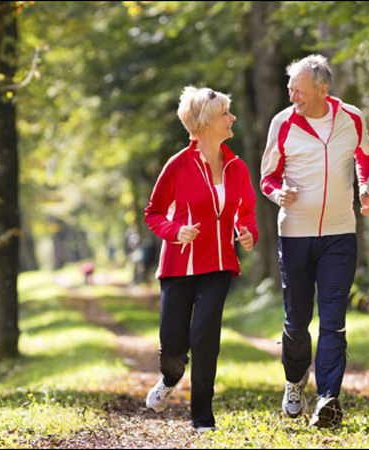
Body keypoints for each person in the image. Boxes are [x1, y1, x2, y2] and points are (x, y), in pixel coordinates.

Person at [260, 54, 369, 428]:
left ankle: (328, 398)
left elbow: (366, 156)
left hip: (340, 234)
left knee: (334, 320)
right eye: (290, 88)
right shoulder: (282, 123)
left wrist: (367, 188)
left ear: (323, 90)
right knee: (297, 323)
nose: (292, 95)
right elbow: (267, 178)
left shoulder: (351, 117)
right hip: (295, 234)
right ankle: (295, 381)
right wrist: (279, 194)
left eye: (299, 90)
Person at [144, 86, 258, 433]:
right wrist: (175, 231)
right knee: (174, 346)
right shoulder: (177, 165)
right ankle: (169, 377)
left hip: (219, 263)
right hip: (179, 266)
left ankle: (202, 418)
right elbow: (154, 213)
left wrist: (247, 231)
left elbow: (246, 211)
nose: (232, 118)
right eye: (226, 113)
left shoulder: (236, 166)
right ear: (206, 122)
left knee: (205, 336)